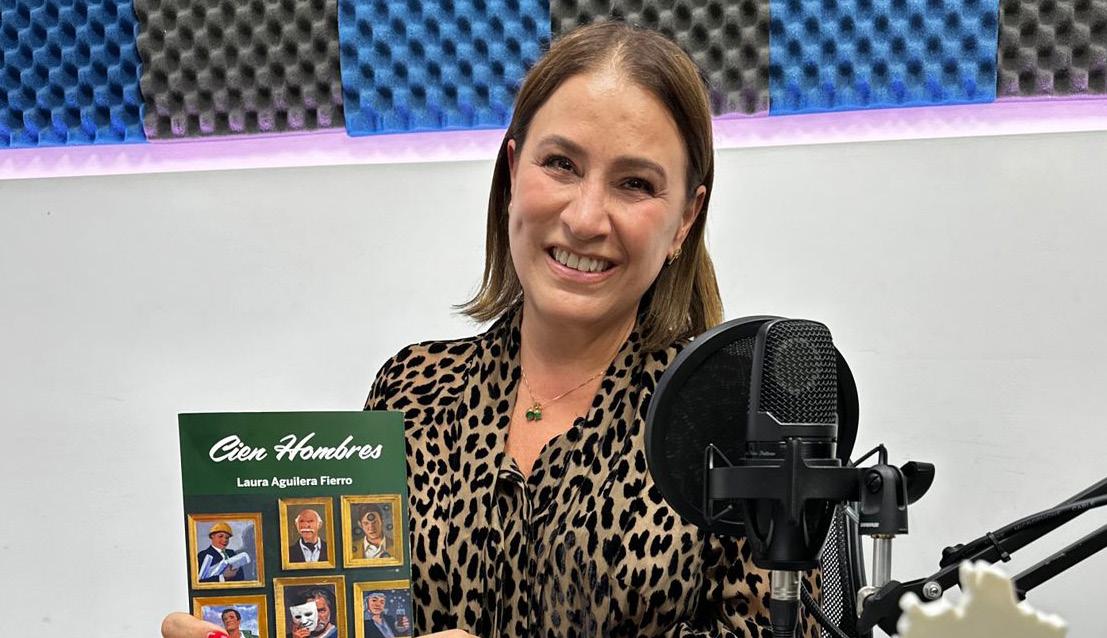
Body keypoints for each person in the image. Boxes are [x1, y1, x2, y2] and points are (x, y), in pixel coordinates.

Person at [162, 20, 820, 638]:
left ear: (684, 220)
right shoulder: (411, 390)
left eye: (634, 183)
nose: (585, 218)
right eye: (560, 164)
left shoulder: (732, 421)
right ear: (511, 173)